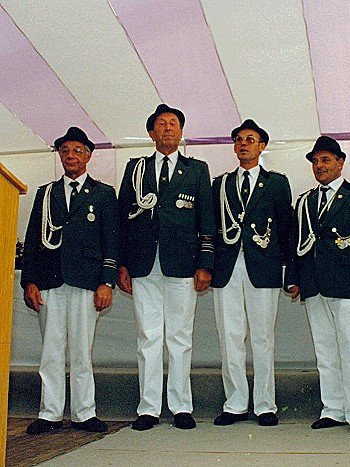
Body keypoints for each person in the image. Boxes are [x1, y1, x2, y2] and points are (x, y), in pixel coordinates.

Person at [118, 104, 215, 431]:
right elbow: (122, 218)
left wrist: (205, 263)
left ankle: (180, 406)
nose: (168, 128)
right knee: (148, 336)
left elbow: (206, 219)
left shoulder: (197, 170)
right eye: (161, 124)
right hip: (143, 263)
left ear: (181, 131)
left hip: (183, 264)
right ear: (151, 132)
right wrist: (121, 264)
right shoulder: (136, 169)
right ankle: (148, 408)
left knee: (180, 337)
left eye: (173, 123)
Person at [21, 127, 118, 434]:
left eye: (77, 150)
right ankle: (49, 413)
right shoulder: (45, 193)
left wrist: (107, 282)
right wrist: (29, 281)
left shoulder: (103, 194)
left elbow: (111, 240)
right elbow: (32, 239)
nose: (71, 156)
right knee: (50, 351)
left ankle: (84, 413)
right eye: (65, 151)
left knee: (81, 351)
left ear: (88, 156)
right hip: (49, 280)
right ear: (60, 156)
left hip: (86, 281)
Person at [285, 136, 350, 435]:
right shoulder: (305, 201)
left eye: (325, 160)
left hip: (349, 282)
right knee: (325, 349)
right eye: (315, 161)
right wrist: (293, 278)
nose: (319, 166)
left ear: (340, 162)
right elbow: (296, 243)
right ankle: (333, 408)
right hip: (314, 283)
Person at [210, 119, 292, 427]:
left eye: (250, 139)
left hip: (264, 266)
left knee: (262, 337)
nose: (243, 144)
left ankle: (265, 404)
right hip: (227, 266)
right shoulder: (221, 184)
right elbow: (211, 225)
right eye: (239, 140)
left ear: (262, 146)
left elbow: (286, 228)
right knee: (230, 336)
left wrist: (289, 271)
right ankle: (235, 403)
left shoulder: (276, 183)